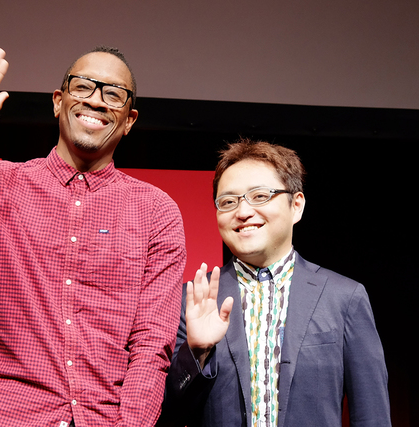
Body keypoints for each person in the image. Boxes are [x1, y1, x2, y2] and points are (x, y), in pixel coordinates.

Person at [0, 46, 186, 427]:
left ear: (129, 120)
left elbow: (151, 345)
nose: (96, 100)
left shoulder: (156, 211)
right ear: (58, 101)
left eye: (113, 94)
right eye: (83, 86)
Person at [158, 139, 390, 427]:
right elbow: (167, 414)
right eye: (228, 202)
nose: (243, 212)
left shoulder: (344, 297)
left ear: (296, 205)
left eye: (260, 196)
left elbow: (372, 415)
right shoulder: (192, 301)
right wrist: (197, 353)